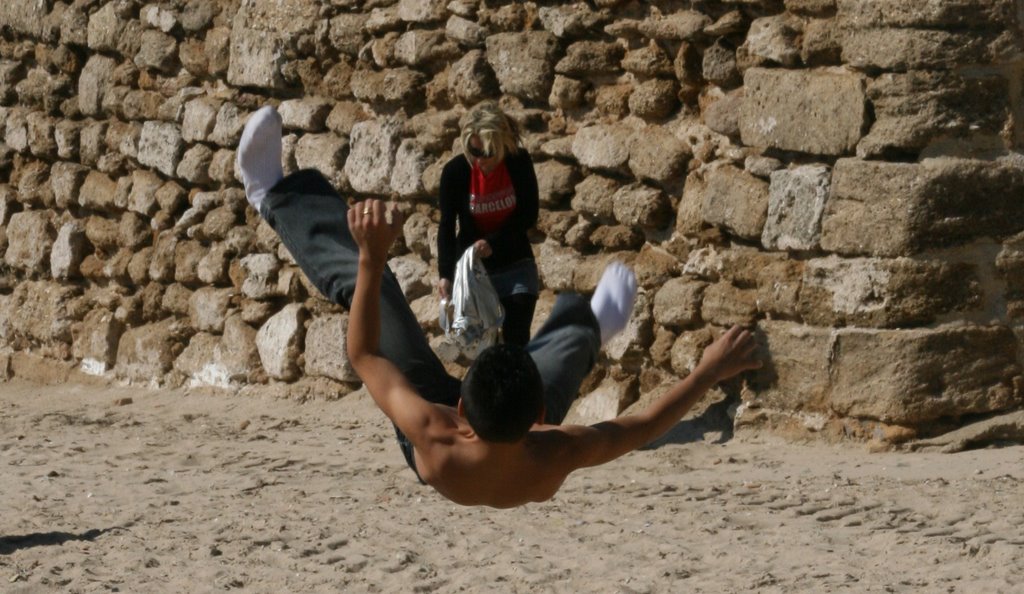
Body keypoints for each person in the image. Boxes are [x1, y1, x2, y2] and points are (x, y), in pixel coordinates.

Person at [237, 106, 762, 509]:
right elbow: (644, 425)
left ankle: (273, 197)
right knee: (566, 350)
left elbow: (364, 354)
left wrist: (374, 257)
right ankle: (586, 327)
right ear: (542, 418)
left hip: (458, 448)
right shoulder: (555, 446)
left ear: (460, 407)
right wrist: (710, 370)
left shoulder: (433, 430)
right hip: (519, 443)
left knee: (372, 293)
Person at [437, 101, 540, 347]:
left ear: (502, 144)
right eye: (474, 152)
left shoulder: (518, 162)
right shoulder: (456, 173)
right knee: (484, 348)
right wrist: (445, 275)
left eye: (487, 153)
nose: (480, 160)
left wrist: (493, 242)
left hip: (515, 262)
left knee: (517, 341)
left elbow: (529, 214)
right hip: (474, 272)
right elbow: (447, 226)